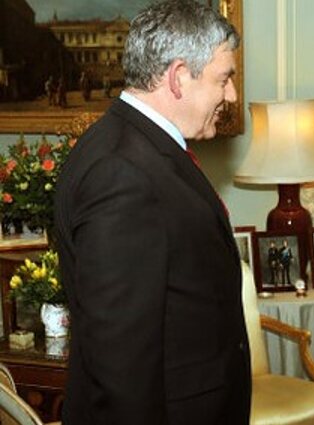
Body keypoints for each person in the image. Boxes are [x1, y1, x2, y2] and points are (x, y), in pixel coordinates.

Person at [53, 2, 250, 424]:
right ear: (179, 77)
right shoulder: (121, 173)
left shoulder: (137, 149)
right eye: (224, 79)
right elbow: (120, 363)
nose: (231, 95)